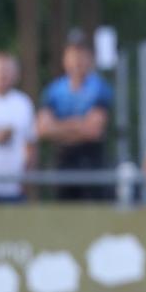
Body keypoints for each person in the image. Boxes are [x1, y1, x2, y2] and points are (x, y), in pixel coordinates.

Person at [37, 32, 113, 200]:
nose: (77, 61)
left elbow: (94, 130)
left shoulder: (100, 88)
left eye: (81, 56)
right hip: (64, 160)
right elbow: (42, 129)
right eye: (73, 56)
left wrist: (59, 126)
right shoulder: (54, 90)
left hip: (92, 160)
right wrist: (79, 125)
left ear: (89, 59)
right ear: (65, 59)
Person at [0, 53, 36, 202]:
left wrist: (26, 180)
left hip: (14, 189)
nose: (3, 76)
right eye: (0, 71)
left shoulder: (23, 103)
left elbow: (31, 145)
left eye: (7, 71)